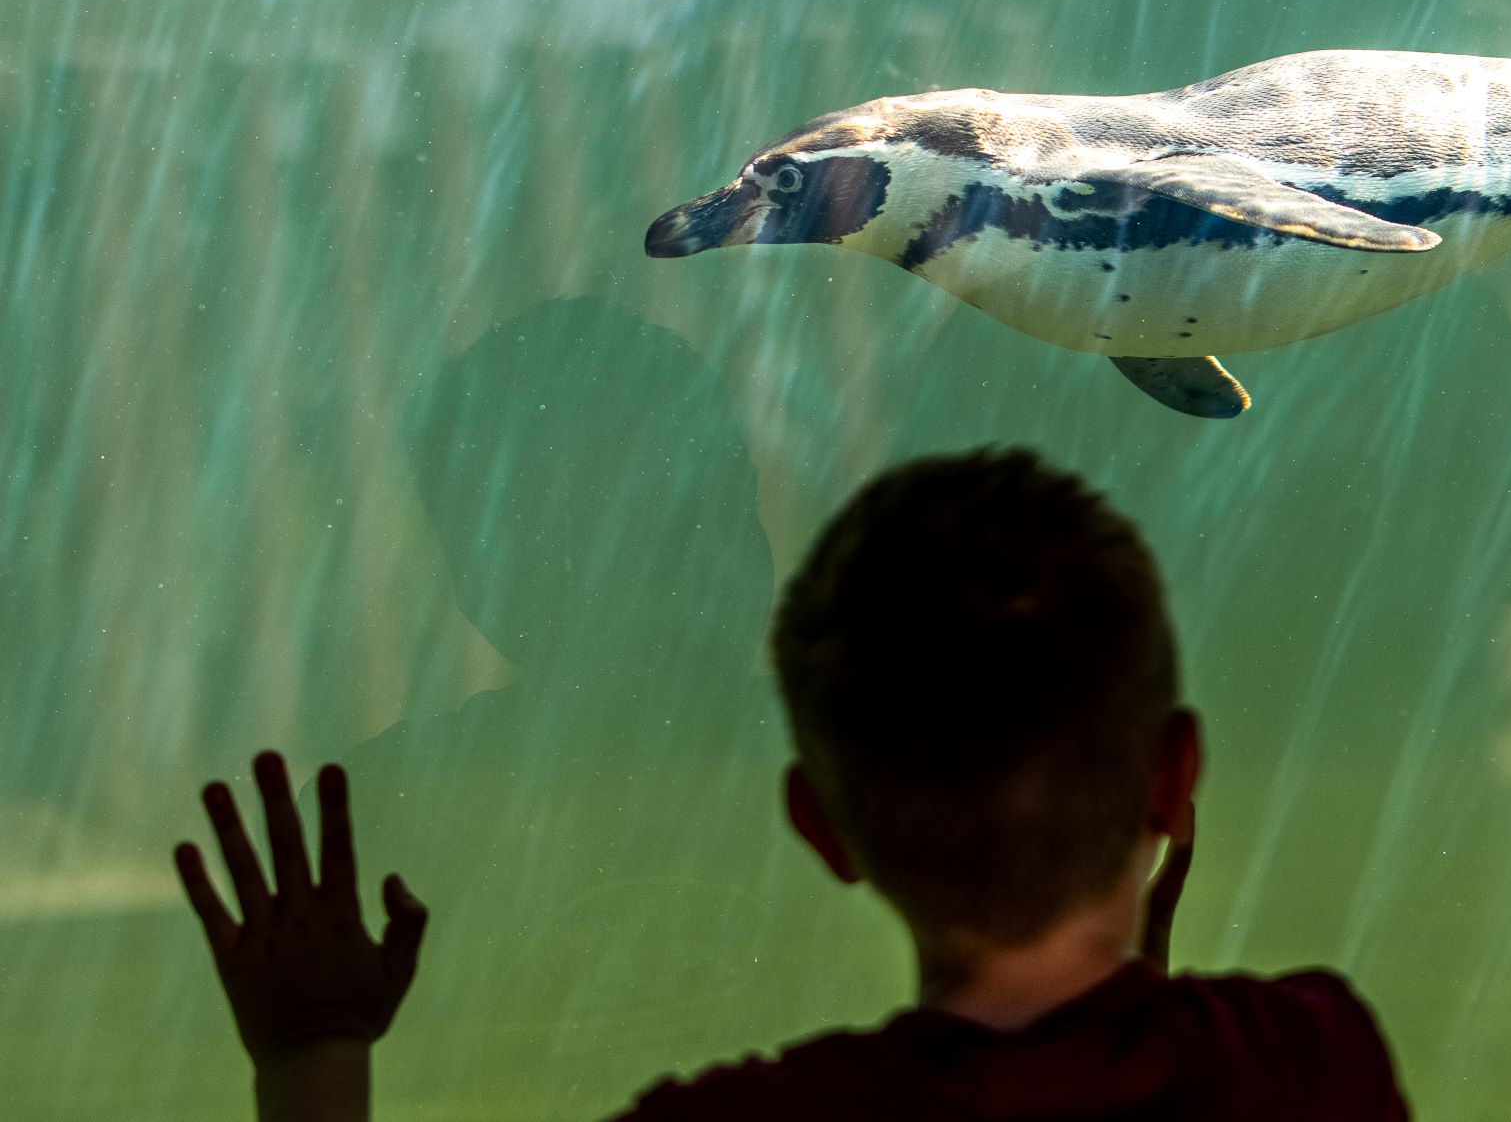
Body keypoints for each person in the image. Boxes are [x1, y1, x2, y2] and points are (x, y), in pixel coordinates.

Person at [175, 447, 1410, 1120]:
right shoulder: (1312, 1056)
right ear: (1173, 777)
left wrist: (312, 1061)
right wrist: (1148, 984)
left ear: (820, 826)